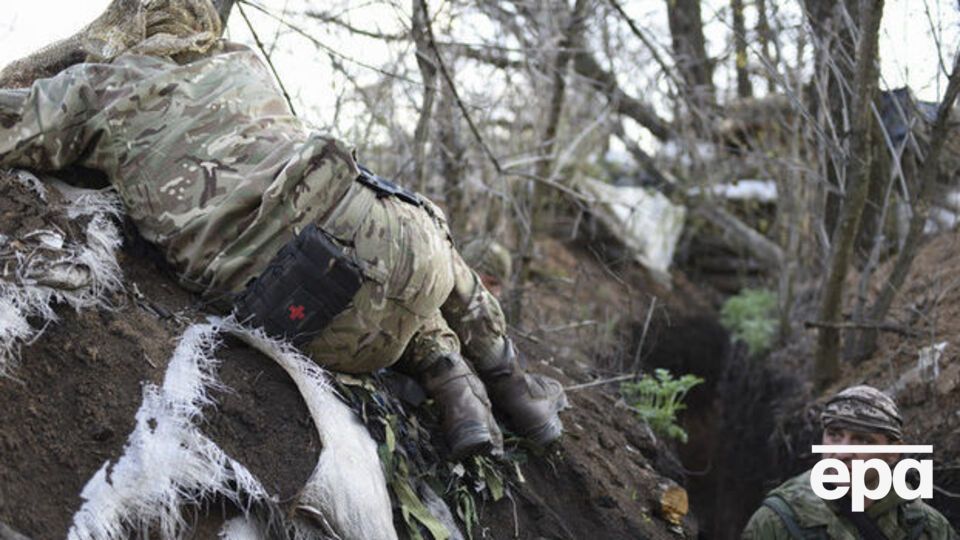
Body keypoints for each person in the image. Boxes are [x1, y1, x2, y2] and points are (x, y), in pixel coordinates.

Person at [0, 0, 566, 460]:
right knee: (379, 235)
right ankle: (494, 384)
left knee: (328, 255)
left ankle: (460, 386)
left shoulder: (96, 89)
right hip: (402, 250)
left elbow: (13, 127)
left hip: (295, 312)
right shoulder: (243, 61)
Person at [742, 385, 957, 539]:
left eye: (862, 439)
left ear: (893, 452)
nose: (843, 452)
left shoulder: (928, 527)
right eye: (834, 435)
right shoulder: (778, 521)